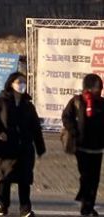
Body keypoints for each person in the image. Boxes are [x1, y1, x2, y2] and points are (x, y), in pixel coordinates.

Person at [0, 72, 46, 217]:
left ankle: (25, 209)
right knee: (5, 178)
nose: (22, 85)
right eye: (19, 82)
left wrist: (40, 147)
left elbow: (36, 127)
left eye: (24, 82)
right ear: (11, 84)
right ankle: (3, 205)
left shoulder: (28, 105)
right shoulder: (1, 101)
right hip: (7, 147)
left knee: (25, 180)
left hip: (25, 148)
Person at [62, 73, 104, 217]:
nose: (100, 90)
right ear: (89, 87)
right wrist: (73, 131)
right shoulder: (77, 101)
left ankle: (88, 206)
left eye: (101, 87)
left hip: (97, 148)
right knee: (86, 176)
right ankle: (86, 204)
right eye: (97, 87)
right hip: (81, 146)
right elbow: (66, 116)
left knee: (95, 179)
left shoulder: (102, 103)